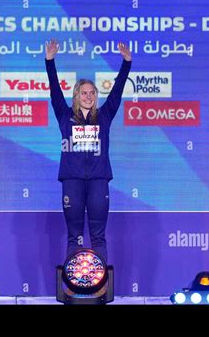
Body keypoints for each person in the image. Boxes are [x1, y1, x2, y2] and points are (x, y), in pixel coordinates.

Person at [45, 39, 132, 263]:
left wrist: (126, 63)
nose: (88, 96)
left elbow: (117, 92)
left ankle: (100, 287)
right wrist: (50, 61)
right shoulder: (65, 116)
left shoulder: (104, 115)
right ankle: (73, 288)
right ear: (76, 96)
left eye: (92, 93)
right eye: (84, 93)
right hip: (71, 180)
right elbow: (55, 91)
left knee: (98, 237)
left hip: (98, 180)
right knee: (74, 237)